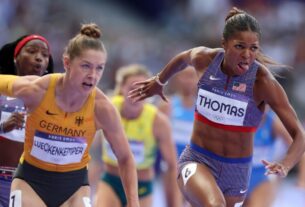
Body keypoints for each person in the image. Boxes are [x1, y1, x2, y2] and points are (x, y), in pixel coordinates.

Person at [128, 7, 305, 207]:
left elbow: (299, 135)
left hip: (237, 173)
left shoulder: (262, 82)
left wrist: (286, 163)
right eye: (239, 46)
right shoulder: (205, 59)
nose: (247, 55)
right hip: (197, 160)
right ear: (224, 43)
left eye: (253, 48)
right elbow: (182, 58)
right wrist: (159, 82)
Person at [0, 23, 139, 207]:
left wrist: (133, 203)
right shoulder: (37, 89)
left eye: (99, 68)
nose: (93, 75)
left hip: (74, 188)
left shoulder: (102, 107)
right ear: (66, 63)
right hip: (30, 183)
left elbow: (125, 157)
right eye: (86, 66)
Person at [92, 64, 180, 207]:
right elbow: (89, 144)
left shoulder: (158, 122)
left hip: (142, 186)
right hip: (111, 181)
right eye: (131, 89)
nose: (137, 94)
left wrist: (173, 204)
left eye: (143, 90)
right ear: (121, 89)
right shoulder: (108, 109)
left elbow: (171, 166)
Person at [0, 34, 54, 207]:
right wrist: (2, 127)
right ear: (16, 58)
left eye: (44, 55)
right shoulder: (1, 93)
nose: (39, 58)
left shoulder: (54, 101)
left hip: (30, 187)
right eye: (31, 52)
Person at [243, 107, 292, 207]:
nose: (262, 108)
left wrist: (284, 164)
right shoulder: (241, 117)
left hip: (261, 176)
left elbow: (296, 144)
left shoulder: (274, 122)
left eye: (266, 104)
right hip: (238, 174)